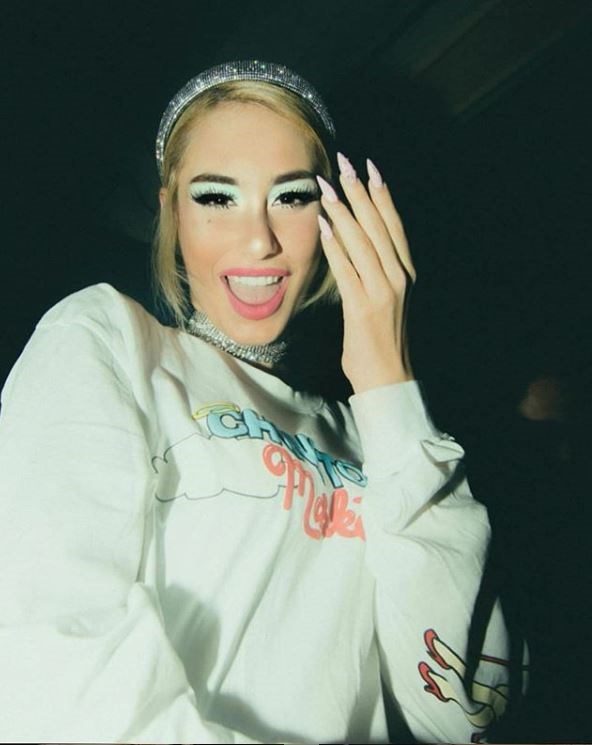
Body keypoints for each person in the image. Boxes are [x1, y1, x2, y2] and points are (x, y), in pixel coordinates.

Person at [0, 61, 520, 743]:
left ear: (334, 214)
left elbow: (459, 708)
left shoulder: (372, 437)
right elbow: (45, 661)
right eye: (217, 197)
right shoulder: (111, 341)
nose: (259, 240)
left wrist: (388, 384)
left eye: (292, 196)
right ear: (171, 210)